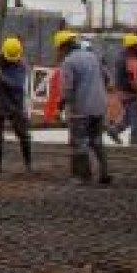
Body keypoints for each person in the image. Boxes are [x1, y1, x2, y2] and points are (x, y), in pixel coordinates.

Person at [56, 29, 113, 186]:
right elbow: (107, 79)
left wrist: (60, 105)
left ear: (64, 46)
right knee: (96, 141)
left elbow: (68, 89)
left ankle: (82, 176)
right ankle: (104, 172)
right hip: (99, 106)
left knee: (79, 142)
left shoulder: (68, 62)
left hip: (81, 109)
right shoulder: (92, 56)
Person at [0, 36, 33, 174]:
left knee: (23, 134)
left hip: (15, 103)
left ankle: (28, 163)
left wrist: (0, 75)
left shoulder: (21, 65)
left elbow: (16, 84)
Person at [108, 33, 137, 147]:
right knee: (136, 116)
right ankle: (135, 139)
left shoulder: (121, 57)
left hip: (121, 91)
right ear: (133, 46)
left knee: (128, 116)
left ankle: (114, 130)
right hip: (130, 92)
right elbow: (132, 79)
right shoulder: (131, 59)